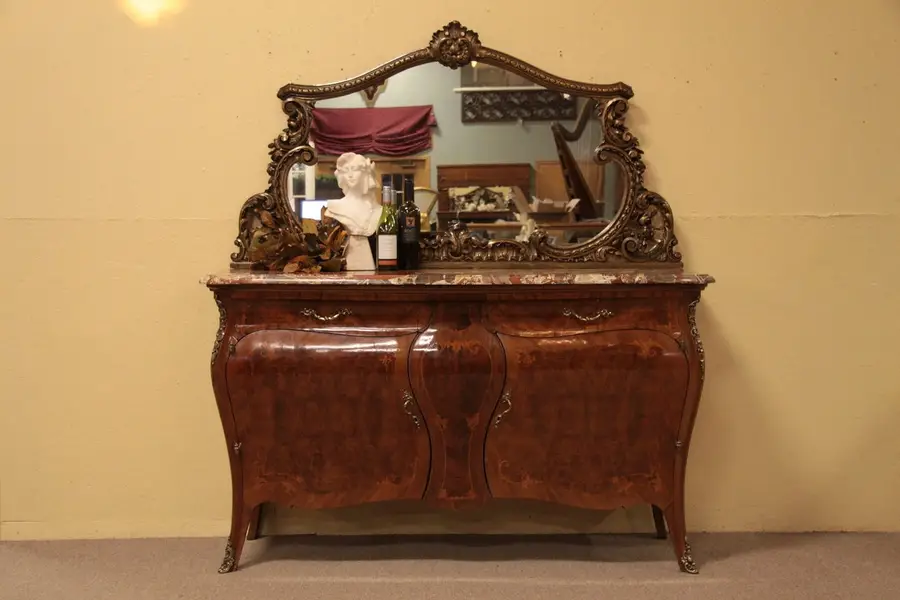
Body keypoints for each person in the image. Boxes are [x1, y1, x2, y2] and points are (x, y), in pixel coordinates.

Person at [324, 152, 381, 270]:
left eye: (355, 169)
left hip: (370, 268)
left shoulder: (379, 210)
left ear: (366, 173)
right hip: (345, 267)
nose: (350, 175)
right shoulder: (334, 207)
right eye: (345, 170)